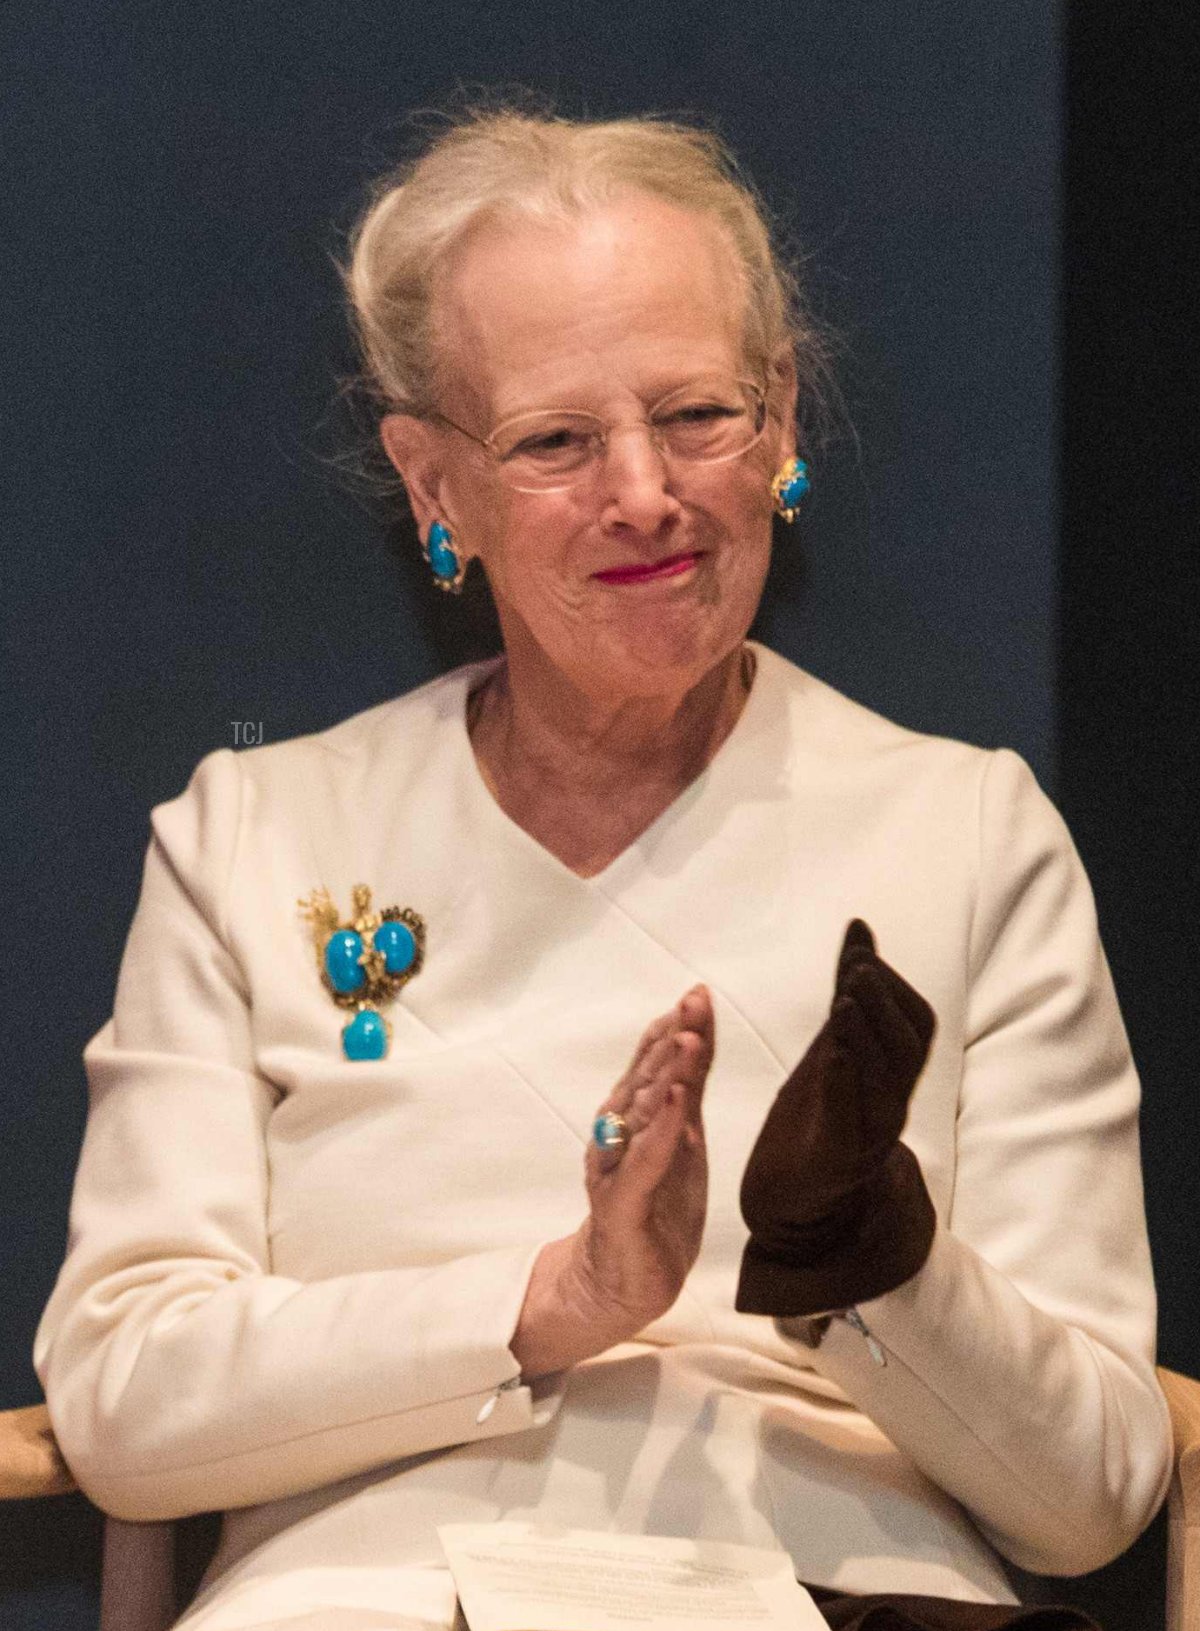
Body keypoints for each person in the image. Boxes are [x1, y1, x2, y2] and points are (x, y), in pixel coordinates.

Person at [35, 109, 1171, 1631]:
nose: (645, 493)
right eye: (557, 441)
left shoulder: (969, 834)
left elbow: (1094, 1493)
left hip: (836, 1592)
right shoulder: (256, 836)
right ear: (437, 488)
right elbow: (121, 1394)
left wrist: (873, 1255)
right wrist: (556, 1303)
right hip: (378, 1596)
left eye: (697, 414)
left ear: (779, 426)